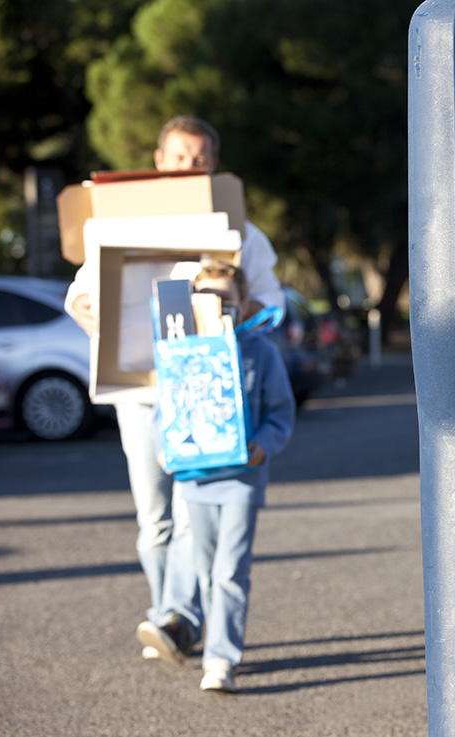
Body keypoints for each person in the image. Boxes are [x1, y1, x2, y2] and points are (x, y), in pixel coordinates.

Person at [64, 115, 285, 662]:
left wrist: (241, 308)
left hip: (202, 388)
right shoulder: (116, 223)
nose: (190, 166)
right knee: (154, 518)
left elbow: (275, 306)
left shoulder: (240, 229)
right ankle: (167, 613)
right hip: (136, 389)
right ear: (159, 161)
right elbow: (79, 294)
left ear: (213, 164)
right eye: (181, 157)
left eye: (201, 158)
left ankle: (177, 619)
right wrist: (82, 306)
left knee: (190, 510)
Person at [141, 261, 295, 693]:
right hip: (195, 479)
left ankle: (222, 659)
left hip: (242, 480)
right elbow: (163, 412)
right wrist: (163, 446)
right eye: (206, 299)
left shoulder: (261, 352)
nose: (218, 307)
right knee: (206, 572)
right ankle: (205, 641)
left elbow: (281, 412)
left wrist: (264, 445)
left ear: (243, 303)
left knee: (230, 571)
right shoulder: (180, 352)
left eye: (226, 299)